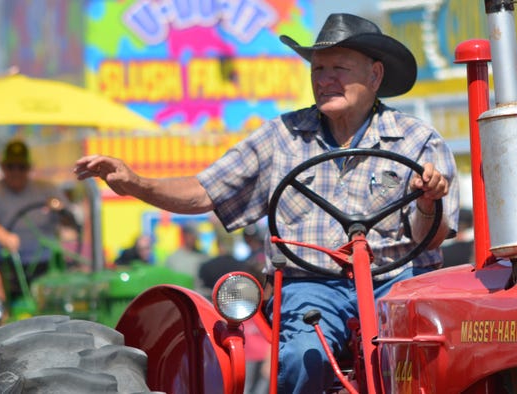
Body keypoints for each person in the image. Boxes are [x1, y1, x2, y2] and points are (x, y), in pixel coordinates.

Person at [74, 13, 458, 393]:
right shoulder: (283, 136)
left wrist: (429, 201)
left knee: (424, 358)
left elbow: (434, 237)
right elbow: (206, 191)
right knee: (303, 355)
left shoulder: (417, 140)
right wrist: (136, 183)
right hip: (313, 285)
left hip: (396, 284)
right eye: (317, 69)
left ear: (375, 75)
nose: (324, 80)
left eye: (338, 68)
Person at [0, 139, 73, 303]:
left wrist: (60, 210)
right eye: (10, 166)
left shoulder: (46, 189)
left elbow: (69, 225)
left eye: (21, 167)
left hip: (44, 265)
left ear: (29, 168)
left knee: (67, 282)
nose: (16, 172)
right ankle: (0, 321)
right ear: (2, 167)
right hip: (5, 265)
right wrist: (4, 236)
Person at [165, 222, 209, 290]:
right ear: (184, 235)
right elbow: (168, 280)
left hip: (197, 295)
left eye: (195, 236)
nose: (193, 239)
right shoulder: (173, 258)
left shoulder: (203, 257)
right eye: (191, 235)